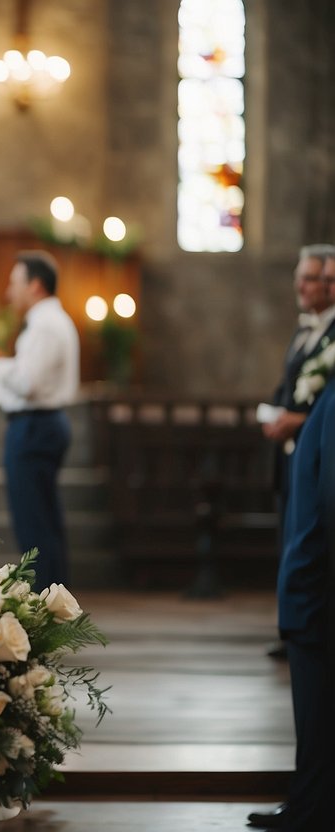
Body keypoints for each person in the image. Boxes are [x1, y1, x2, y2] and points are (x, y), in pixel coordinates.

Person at [246, 338, 335, 831]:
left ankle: (311, 809)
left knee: (319, 714)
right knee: (314, 719)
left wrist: (303, 581)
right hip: (308, 584)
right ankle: (307, 803)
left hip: (316, 587)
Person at [0, 251, 79, 592]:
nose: (8, 291)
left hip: (35, 427)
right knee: (42, 521)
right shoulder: (48, 321)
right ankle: (52, 599)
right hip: (40, 425)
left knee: (34, 525)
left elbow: (26, 382)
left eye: (14, 283)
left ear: (35, 285)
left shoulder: (46, 323)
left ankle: (44, 600)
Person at [261, 244, 335, 659]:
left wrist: (298, 420)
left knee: (308, 541)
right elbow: (289, 384)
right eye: (303, 277)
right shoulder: (304, 328)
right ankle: (292, 626)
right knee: (289, 539)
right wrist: (275, 412)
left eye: (312, 278)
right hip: (291, 450)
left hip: (318, 451)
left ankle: (307, 627)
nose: (302, 286)